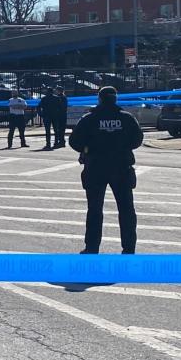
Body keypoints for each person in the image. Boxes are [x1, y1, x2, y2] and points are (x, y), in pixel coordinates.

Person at [69, 86, 143, 254]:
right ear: (115, 99)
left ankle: (92, 247)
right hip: (121, 166)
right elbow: (137, 139)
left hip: (96, 166)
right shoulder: (126, 118)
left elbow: (74, 141)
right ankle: (129, 248)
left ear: (100, 98)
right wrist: (122, 147)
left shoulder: (89, 119)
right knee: (126, 210)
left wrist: (88, 148)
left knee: (95, 209)